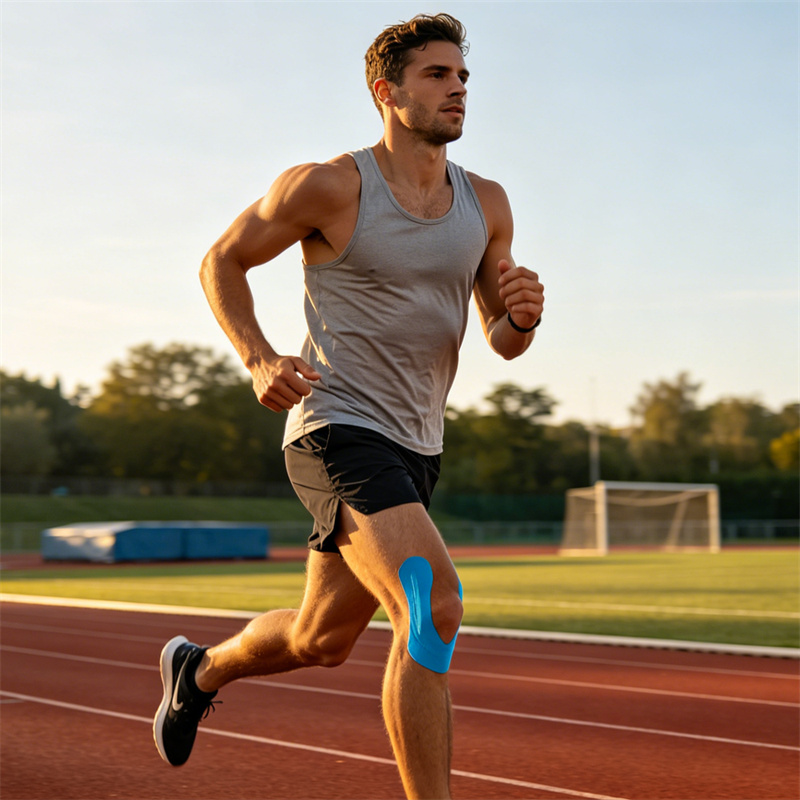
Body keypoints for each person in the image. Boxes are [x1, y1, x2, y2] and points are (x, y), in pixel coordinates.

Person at [153, 12, 544, 799]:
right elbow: (220, 260)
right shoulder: (331, 185)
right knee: (433, 609)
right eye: (437, 76)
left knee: (319, 638)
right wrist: (258, 356)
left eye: (462, 77)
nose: (457, 89)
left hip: (418, 443)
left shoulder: (488, 203)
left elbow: (499, 340)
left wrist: (521, 318)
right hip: (335, 427)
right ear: (386, 91)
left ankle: (199, 670)